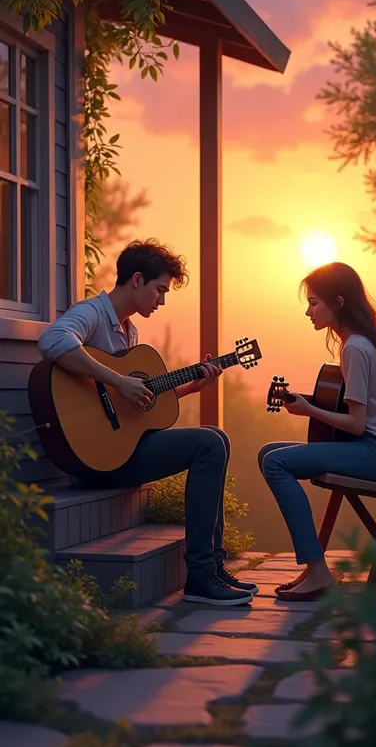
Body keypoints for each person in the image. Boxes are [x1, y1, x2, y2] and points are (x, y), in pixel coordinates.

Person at [38, 239, 259, 606]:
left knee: (215, 437)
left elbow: (136, 409)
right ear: (136, 280)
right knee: (208, 444)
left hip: (118, 451)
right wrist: (117, 380)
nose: (162, 300)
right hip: (93, 459)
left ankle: (212, 569)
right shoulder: (92, 313)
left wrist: (190, 387)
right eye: (160, 290)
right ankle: (201, 577)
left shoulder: (130, 334)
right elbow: (52, 339)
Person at [258, 262, 376, 602]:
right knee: (268, 453)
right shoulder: (360, 342)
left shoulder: (355, 347)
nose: (308, 311)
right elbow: (357, 413)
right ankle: (314, 569)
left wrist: (309, 409)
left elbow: (356, 424)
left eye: (314, 303)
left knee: (276, 464)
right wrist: (311, 403)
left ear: (338, 302)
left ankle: (318, 571)